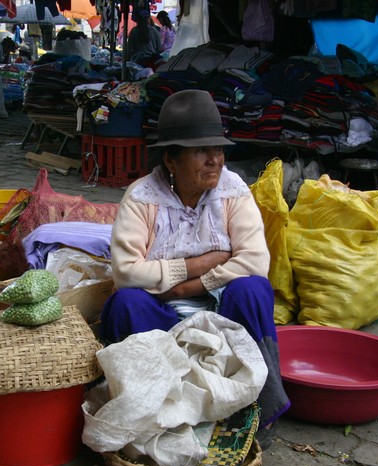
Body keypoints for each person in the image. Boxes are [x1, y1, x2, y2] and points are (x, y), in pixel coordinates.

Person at [100, 89, 290, 443]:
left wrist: (193, 286)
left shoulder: (232, 190)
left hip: (222, 312)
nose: (214, 160)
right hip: (162, 313)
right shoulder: (143, 196)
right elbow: (126, 272)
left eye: (218, 150)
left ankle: (258, 403)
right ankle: (158, 408)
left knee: (253, 288)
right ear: (170, 160)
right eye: (201, 151)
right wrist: (201, 263)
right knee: (126, 302)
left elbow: (255, 261)